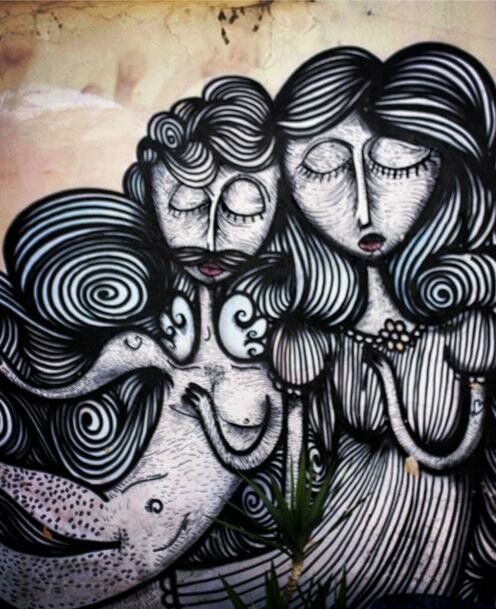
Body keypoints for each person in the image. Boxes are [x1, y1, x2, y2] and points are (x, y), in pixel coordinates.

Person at [166, 43, 496, 609]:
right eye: (324, 167)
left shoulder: (465, 328)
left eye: (394, 162)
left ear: (441, 162)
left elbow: (451, 451)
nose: (364, 208)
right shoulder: (318, 333)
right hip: (332, 541)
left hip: (434, 544)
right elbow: (286, 462)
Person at [0, 75, 286, 609]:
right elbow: (74, 382)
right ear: (152, 198)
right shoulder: (157, 334)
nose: (212, 236)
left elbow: (256, 446)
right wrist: (24, 378)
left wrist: (212, 422)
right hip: (130, 515)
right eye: (186, 205)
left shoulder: (269, 355)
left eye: (244, 209)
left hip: (160, 535)